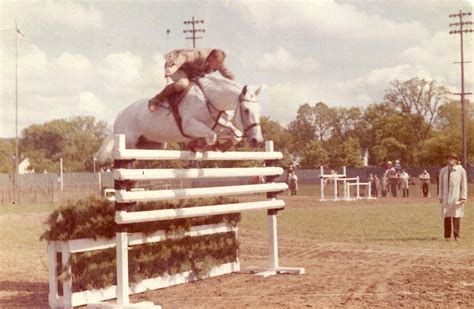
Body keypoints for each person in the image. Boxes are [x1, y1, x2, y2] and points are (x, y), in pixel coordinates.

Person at [148, 48, 235, 111]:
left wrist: (236, 88)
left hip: (189, 70)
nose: (217, 67)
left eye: (219, 65)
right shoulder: (199, 55)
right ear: (211, 58)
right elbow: (183, 56)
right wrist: (173, 68)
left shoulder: (218, 62)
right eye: (215, 64)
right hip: (177, 65)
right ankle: (156, 99)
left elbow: (228, 74)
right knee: (183, 83)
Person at [438, 153, 468, 240]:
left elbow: (464, 184)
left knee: (456, 216)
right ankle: (447, 236)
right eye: (449, 158)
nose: (451, 160)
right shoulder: (443, 170)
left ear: (455, 160)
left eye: (453, 158)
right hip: (446, 197)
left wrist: (463, 197)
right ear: (447, 159)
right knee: (446, 216)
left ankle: (456, 235)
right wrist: (440, 196)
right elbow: (440, 185)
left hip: (456, 196)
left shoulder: (461, 170)